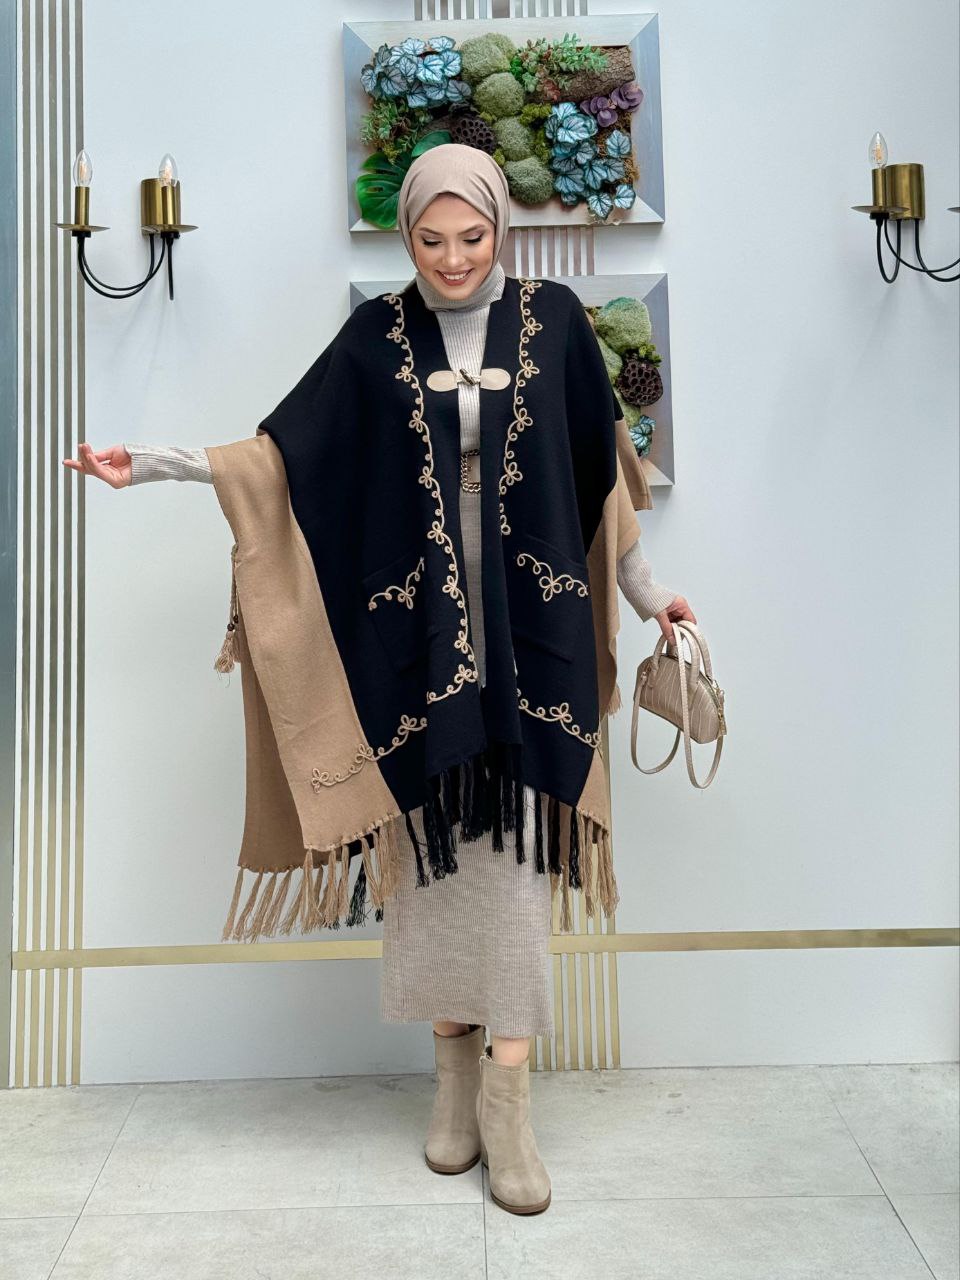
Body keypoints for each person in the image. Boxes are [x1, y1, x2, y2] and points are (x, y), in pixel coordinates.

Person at [63, 143, 696, 1216]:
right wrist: (155, 463)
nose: (454, 258)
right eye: (431, 239)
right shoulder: (376, 337)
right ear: (407, 237)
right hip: (418, 658)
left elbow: (605, 491)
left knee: (517, 882)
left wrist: (652, 599)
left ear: (501, 228)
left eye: (473, 236)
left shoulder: (555, 327)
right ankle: (451, 1084)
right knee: (432, 878)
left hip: (533, 645)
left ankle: (509, 1103)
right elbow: (280, 456)